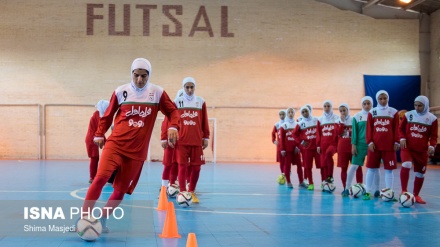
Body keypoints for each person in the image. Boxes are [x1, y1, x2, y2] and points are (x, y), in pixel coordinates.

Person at [80, 58, 179, 234]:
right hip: (115, 145)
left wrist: (173, 126)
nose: (140, 80)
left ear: (149, 75)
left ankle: (102, 219)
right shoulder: (121, 92)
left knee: (120, 191)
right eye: (136, 75)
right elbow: (107, 116)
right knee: (101, 177)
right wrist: (99, 133)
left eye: (144, 76)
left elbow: (172, 111)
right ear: (131, 74)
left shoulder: (157, 93)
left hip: (137, 153)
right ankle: (84, 218)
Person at [175, 77, 210, 203]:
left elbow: (205, 121)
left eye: (191, 87)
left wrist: (206, 137)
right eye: (187, 87)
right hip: (181, 141)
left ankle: (191, 191)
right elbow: (172, 120)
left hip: (196, 141)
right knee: (182, 166)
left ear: (195, 87)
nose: (189, 90)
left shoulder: (200, 102)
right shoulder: (177, 102)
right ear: (183, 87)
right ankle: (182, 191)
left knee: (196, 168)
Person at [399, 95, 438, 204]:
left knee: (420, 174)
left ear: (425, 105)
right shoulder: (408, 115)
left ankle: (416, 195)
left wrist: (432, 146)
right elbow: (400, 129)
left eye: (420, 106)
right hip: (408, 147)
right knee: (406, 164)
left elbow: (434, 136)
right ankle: (404, 191)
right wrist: (402, 138)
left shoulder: (432, 119)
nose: (417, 107)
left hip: (422, 150)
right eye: (415, 105)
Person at [363, 90, 399, 200]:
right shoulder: (372, 112)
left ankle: (390, 193)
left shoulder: (394, 112)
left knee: (389, 170)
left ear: (388, 98)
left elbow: (396, 128)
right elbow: (369, 129)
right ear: (377, 100)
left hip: (389, 147)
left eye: (385, 98)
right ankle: (368, 191)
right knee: (371, 169)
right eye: (380, 99)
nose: (383, 101)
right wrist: (370, 142)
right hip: (375, 147)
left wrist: (396, 141)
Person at [341, 97, 374, 197]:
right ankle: (346, 188)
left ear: (372, 104)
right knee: (354, 166)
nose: (366, 105)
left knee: (374, 168)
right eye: (364, 104)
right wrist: (353, 145)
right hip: (359, 145)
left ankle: (374, 190)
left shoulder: (375, 115)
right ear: (362, 105)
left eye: (368, 103)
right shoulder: (357, 116)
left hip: (372, 145)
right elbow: (354, 133)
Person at [160, 89, 184, 190]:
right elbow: (165, 125)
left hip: (181, 142)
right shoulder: (172, 111)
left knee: (176, 164)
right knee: (168, 164)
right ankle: (164, 186)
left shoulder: (187, 112)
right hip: (170, 141)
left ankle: (172, 183)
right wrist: (164, 139)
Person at [294, 105, 321, 190]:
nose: (305, 113)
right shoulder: (300, 123)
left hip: (317, 148)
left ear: (310, 111)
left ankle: (324, 183)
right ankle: (310, 183)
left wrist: (319, 144)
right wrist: (301, 142)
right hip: (307, 149)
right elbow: (294, 134)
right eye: (303, 112)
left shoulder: (316, 120)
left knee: (322, 166)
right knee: (308, 166)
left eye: (306, 111)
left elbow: (320, 132)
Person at [279, 107, 306, 188]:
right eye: (289, 112)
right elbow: (281, 139)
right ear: (287, 114)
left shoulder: (298, 124)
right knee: (287, 166)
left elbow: (300, 137)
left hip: (296, 149)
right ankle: (288, 182)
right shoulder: (283, 125)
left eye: (292, 112)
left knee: (299, 165)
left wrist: (298, 147)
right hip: (287, 150)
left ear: (294, 114)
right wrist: (282, 149)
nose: (290, 114)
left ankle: (301, 182)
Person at [85, 100, 109, 184]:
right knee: (94, 157)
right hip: (92, 138)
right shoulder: (97, 115)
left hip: (96, 136)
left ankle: (97, 176)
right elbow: (99, 130)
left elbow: (100, 131)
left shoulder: (100, 115)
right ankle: (92, 177)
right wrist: (106, 140)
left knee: (97, 157)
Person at [316, 100, 340, 187]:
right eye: (325, 106)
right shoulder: (320, 119)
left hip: (333, 143)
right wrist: (318, 145)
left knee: (329, 154)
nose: (326, 108)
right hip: (323, 144)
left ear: (331, 106)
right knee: (323, 163)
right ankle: (324, 182)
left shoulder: (337, 118)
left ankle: (330, 176)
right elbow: (318, 133)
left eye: (328, 106)